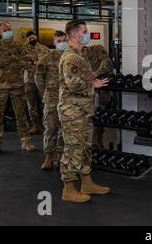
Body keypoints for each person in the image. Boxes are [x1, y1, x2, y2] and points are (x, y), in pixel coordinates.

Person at [58, 20, 110, 203]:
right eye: (85, 31)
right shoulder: (71, 56)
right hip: (72, 112)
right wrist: (92, 84)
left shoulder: (80, 55)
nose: (88, 34)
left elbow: (82, 77)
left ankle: (87, 182)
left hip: (84, 110)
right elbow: (72, 84)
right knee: (73, 149)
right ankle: (69, 188)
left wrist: (93, 77)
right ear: (74, 34)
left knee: (85, 147)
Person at [0, 22, 35, 154]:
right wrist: (15, 59)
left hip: (17, 85)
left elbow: (25, 61)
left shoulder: (18, 46)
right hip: (0, 86)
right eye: (5, 30)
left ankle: (25, 140)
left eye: (9, 29)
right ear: (0, 32)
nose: (7, 31)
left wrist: (12, 60)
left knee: (21, 113)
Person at [35, 31, 68, 170]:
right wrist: (47, 92)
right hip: (51, 99)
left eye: (64, 40)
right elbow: (39, 78)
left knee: (64, 130)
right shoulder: (46, 58)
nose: (62, 43)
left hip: (67, 100)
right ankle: (48, 157)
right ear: (54, 43)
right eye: (59, 40)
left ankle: (60, 157)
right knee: (50, 128)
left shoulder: (71, 57)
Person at [82, 44, 112, 148]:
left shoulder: (97, 49)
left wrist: (96, 73)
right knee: (87, 119)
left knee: (99, 118)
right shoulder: (74, 55)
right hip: (85, 92)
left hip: (101, 91)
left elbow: (106, 62)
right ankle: (90, 145)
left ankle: (99, 142)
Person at [24, 30, 50, 134]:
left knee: (45, 103)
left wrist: (33, 63)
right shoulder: (23, 50)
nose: (32, 39)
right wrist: (36, 63)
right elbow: (22, 63)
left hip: (42, 80)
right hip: (29, 80)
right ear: (27, 39)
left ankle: (46, 125)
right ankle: (35, 126)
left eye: (33, 37)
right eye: (30, 38)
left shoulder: (44, 49)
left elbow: (48, 62)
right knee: (31, 104)